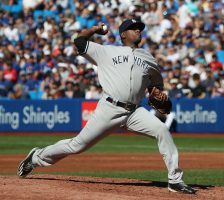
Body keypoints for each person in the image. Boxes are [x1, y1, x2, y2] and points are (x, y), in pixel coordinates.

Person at [17, 19, 196, 194]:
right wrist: (95, 29)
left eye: (139, 28)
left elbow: (155, 87)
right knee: (77, 146)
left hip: (134, 111)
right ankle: (36, 157)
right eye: (134, 28)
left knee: (162, 130)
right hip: (110, 108)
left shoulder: (148, 58)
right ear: (123, 34)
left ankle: (175, 180)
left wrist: (157, 94)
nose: (138, 30)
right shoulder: (106, 51)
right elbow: (79, 41)